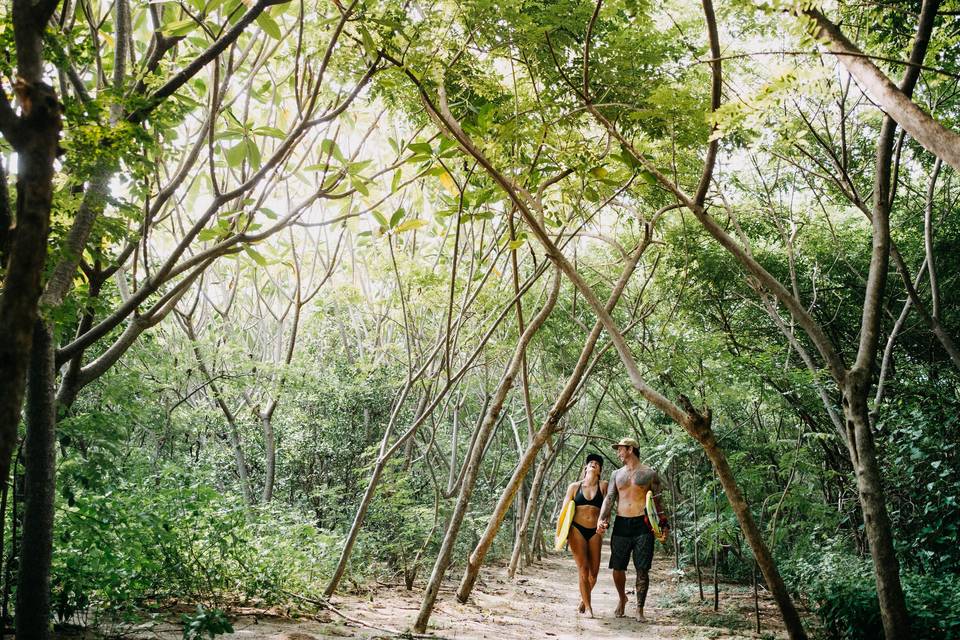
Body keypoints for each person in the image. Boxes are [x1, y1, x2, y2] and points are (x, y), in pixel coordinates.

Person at [596, 437, 669, 622]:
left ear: (630, 449)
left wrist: (664, 524)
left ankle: (639, 609)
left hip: (643, 525)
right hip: (621, 523)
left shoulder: (650, 474)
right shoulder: (616, 474)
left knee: (642, 569)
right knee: (617, 568)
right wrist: (602, 518)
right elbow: (610, 497)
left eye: (620, 449)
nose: (618, 452)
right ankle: (622, 598)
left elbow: (658, 501)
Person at [558, 453, 608, 617]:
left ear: (600, 470)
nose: (593, 464)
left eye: (597, 464)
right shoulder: (574, 487)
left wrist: (605, 522)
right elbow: (564, 512)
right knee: (583, 570)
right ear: (585, 468)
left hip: (595, 532)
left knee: (594, 573)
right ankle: (589, 607)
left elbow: (607, 508)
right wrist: (560, 533)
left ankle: (583, 600)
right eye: (591, 462)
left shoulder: (603, 486)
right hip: (577, 529)